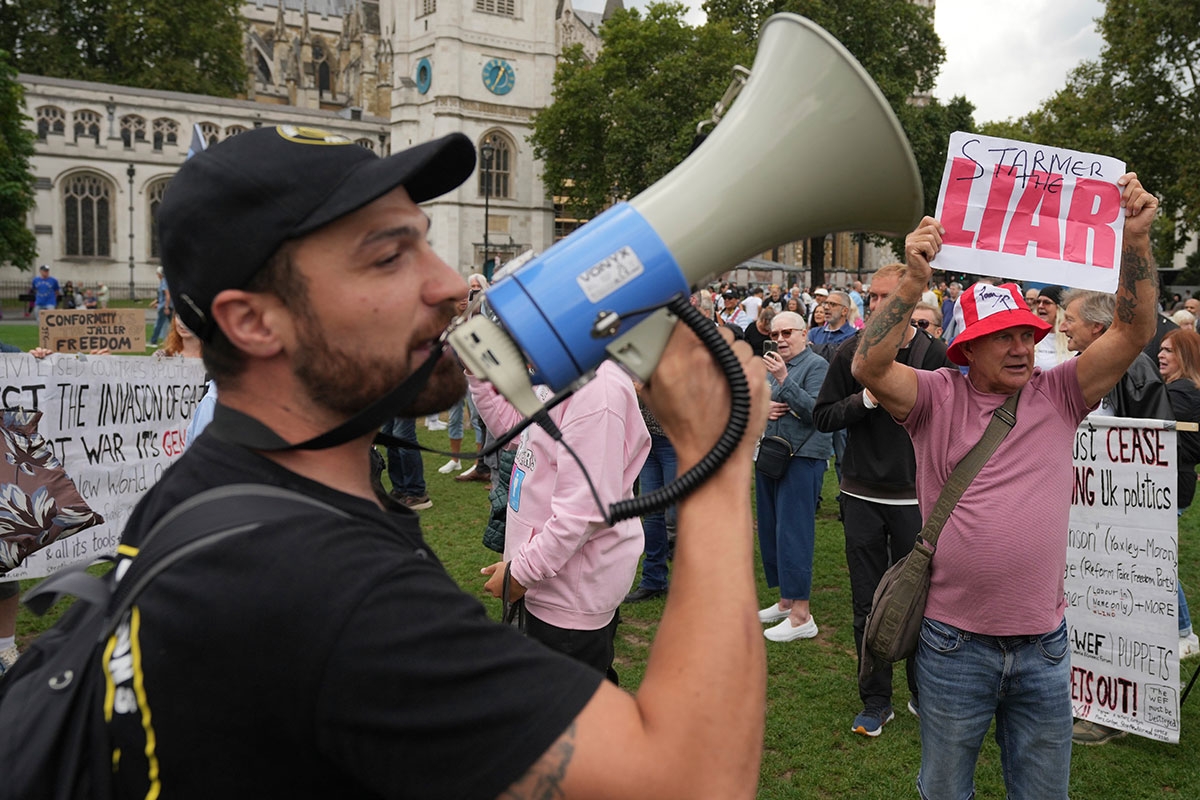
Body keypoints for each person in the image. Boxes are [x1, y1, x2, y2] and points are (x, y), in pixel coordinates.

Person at [105, 124, 769, 799]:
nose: (451, 285)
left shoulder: (216, 485)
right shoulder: (336, 594)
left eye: (423, 241)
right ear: (254, 322)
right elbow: (694, 781)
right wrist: (719, 458)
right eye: (390, 257)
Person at [851, 172, 1158, 799]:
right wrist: (913, 281)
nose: (1022, 347)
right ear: (967, 348)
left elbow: (1132, 332)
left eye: (1028, 334)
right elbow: (868, 365)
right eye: (1003, 337)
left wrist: (1135, 239)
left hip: (1044, 647)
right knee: (945, 791)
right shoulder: (935, 397)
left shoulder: (1061, 391)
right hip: (952, 646)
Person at [813, 264, 954, 737]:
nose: (875, 306)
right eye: (871, 297)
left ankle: (924, 691)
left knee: (923, 601)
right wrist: (865, 402)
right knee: (866, 602)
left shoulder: (937, 355)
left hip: (919, 499)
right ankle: (876, 700)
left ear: (912, 302)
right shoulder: (850, 352)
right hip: (860, 495)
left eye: (885, 298)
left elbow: (956, 425)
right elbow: (824, 416)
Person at [472, 361, 650, 681]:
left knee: (569, 720)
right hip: (542, 580)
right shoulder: (558, 370)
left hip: (568, 598)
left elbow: (583, 513)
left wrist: (520, 572)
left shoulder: (598, 388)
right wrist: (477, 373)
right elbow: (512, 429)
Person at [757, 310, 831, 642]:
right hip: (772, 455)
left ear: (804, 334)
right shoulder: (773, 368)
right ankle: (786, 600)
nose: (781, 340)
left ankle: (802, 614)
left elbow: (818, 413)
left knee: (794, 532)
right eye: (775, 335)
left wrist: (784, 382)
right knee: (773, 528)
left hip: (801, 458)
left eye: (787, 333)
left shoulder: (817, 366)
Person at [1157, 328, 1200, 660]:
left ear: (1185, 356)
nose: (1161, 355)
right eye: (1160, 348)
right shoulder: (1178, 389)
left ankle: (1184, 631)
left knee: (1159, 561)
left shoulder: (1183, 392)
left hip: (1173, 486)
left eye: (1169, 350)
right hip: (1172, 483)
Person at [1033, 285, 1070, 370]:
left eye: (1047, 302)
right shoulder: (1030, 336)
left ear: (1059, 308)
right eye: (1038, 302)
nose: (1040, 306)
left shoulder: (1071, 338)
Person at [149, 265, 172, 346]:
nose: (157, 275)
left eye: (157, 273)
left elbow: (167, 295)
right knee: (173, 325)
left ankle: (153, 341)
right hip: (167, 306)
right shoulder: (167, 281)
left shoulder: (164, 281)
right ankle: (170, 341)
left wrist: (166, 307)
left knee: (159, 324)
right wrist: (157, 303)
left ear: (160, 274)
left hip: (165, 307)